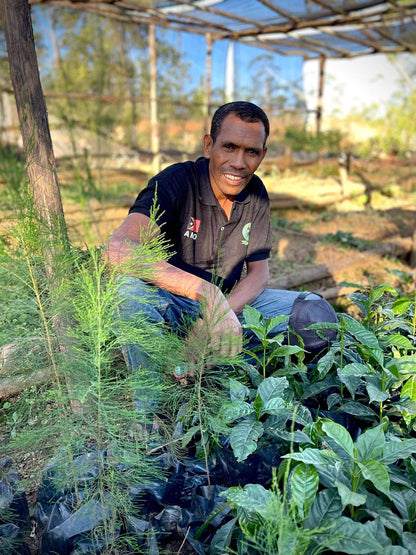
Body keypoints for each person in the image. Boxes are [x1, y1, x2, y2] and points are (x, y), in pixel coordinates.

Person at [107, 101, 337, 425]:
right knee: (129, 293)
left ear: (263, 154)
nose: (239, 162)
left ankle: (218, 369)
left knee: (316, 315)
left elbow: (259, 275)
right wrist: (207, 296)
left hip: (226, 313)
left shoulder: (255, 194)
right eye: (229, 146)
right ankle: (154, 415)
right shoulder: (177, 182)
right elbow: (117, 249)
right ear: (208, 145)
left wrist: (221, 312)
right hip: (171, 306)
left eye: (251, 152)